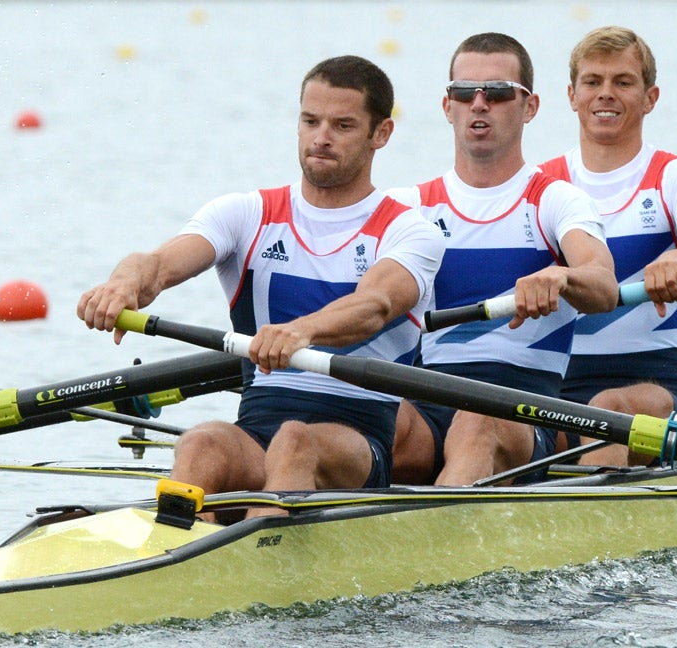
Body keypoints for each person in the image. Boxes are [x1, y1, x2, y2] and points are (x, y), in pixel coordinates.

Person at [78, 55, 444, 519]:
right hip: (257, 431)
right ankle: (170, 549)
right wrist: (123, 285)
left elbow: (374, 305)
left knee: (295, 441)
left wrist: (302, 331)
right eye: (310, 121)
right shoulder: (247, 213)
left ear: (381, 134)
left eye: (342, 125)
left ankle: (250, 567)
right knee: (202, 442)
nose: (321, 137)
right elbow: (156, 264)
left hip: (356, 443)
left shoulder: (410, 232)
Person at [389, 33, 619, 486]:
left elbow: (603, 284)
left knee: (477, 423)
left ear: (529, 107)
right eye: (464, 92)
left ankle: (437, 545)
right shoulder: (408, 206)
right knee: (347, 412)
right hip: (427, 404)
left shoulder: (556, 200)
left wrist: (563, 277)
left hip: (522, 411)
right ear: (447, 106)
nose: (479, 104)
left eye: (495, 92)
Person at [539, 26, 677, 466]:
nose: (605, 94)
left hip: (656, 381)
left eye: (623, 82)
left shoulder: (676, 176)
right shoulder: (542, 185)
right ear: (572, 95)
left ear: (650, 98)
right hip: (554, 384)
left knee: (607, 410)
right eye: (593, 82)